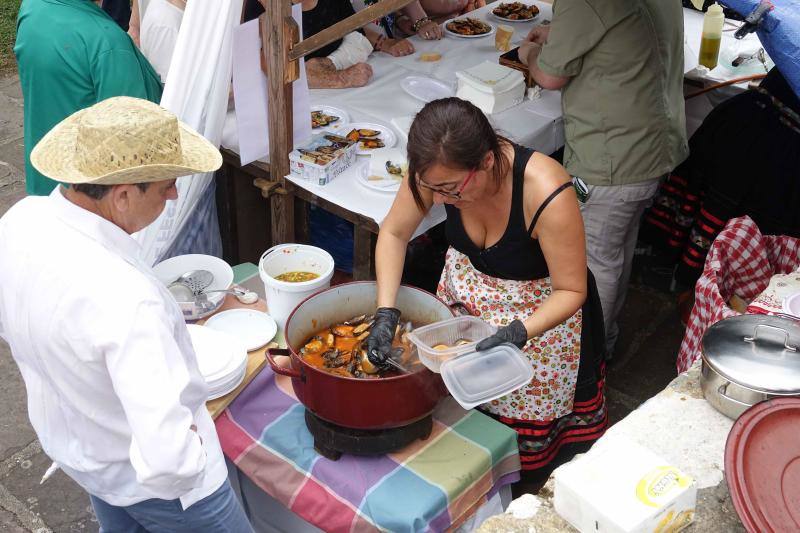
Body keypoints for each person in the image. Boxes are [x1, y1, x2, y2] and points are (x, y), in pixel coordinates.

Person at [0, 97, 251, 533]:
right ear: (121, 197)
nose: (174, 194)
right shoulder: (127, 298)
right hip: (168, 491)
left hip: (88, 455)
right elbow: (167, 458)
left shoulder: (19, 220)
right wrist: (189, 456)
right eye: (165, 186)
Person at [365, 98, 607, 480]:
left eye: (449, 190)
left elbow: (571, 290)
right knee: (462, 416)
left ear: (488, 162)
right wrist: (385, 311)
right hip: (466, 308)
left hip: (539, 323)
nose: (439, 200)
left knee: (524, 445)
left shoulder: (545, 191)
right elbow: (394, 233)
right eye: (431, 188)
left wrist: (516, 333)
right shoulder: (435, 172)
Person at [518, 0, 689, 355]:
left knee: (594, 260)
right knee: (618, 248)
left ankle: (587, 355)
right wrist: (559, 34)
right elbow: (621, 31)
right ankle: (604, 337)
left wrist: (531, 52)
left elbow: (549, 76)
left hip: (612, 157)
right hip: (651, 146)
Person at [14, 0, 163, 197]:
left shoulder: (33, 8)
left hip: (46, 182)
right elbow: (134, 142)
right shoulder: (107, 43)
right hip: (94, 201)